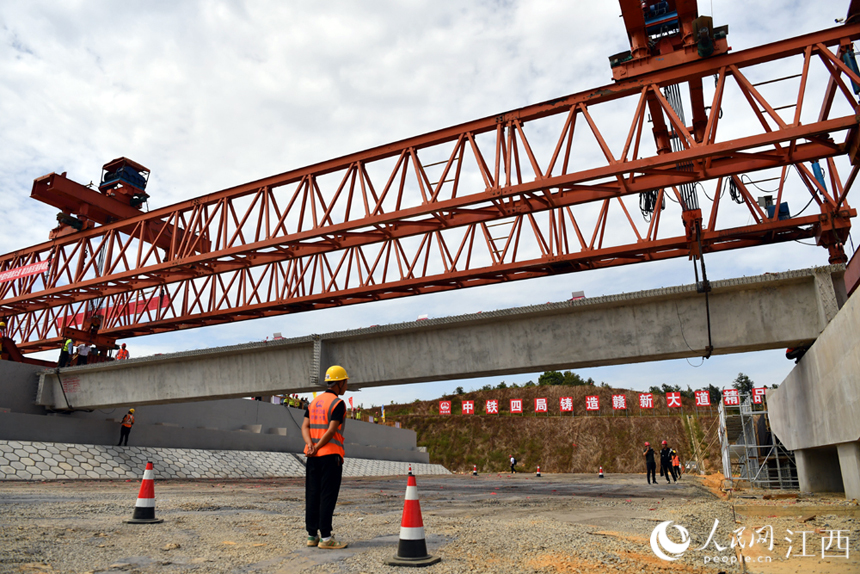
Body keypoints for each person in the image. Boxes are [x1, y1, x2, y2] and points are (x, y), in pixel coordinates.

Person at [302, 365, 349, 550]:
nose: (346, 387)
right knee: (327, 496)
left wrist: (311, 446)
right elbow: (331, 430)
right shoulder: (337, 403)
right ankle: (326, 537)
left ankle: (312, 535)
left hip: (312, 457)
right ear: (340, 383)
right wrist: (319, 446)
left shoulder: (313, 403)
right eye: (345, 383)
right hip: (330, 457)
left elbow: (304, 427)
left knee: (312, 494)